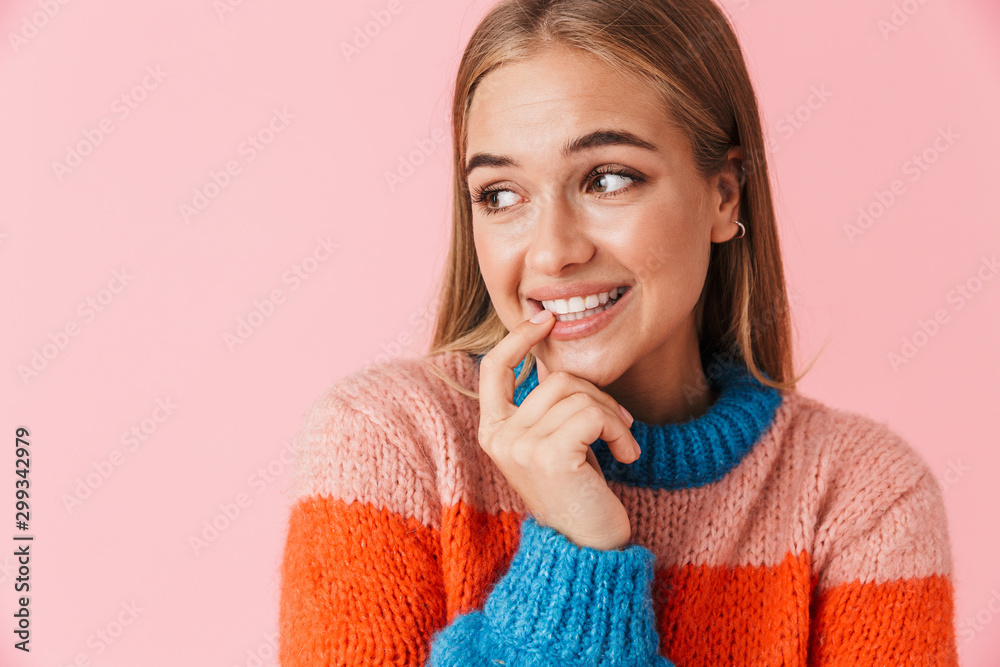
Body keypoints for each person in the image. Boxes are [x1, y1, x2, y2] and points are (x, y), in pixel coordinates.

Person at [278, 0, 959, 664]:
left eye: (606, 179)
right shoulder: (388, 443)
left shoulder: (863, 496)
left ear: (724, 195)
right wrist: (576, 556)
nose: (551, 252)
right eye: (501, 194)